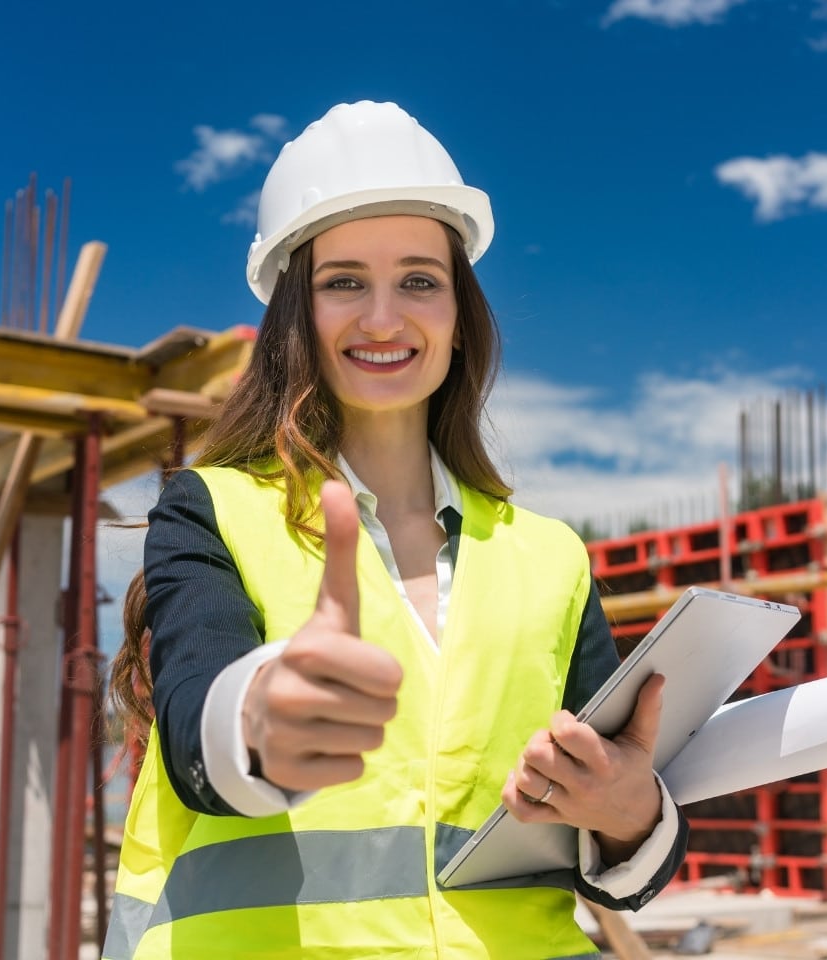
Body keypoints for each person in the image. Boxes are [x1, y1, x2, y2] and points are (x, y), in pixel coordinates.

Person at [104, 100, 689, 959]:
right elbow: (200, 744)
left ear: (460, 316)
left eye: (419, 279)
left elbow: (622, 860)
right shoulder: (215, 508)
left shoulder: (549, 558)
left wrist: (631, 814)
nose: (384, 318)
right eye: (344, 281)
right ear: (295, 314)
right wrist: (265, 715)